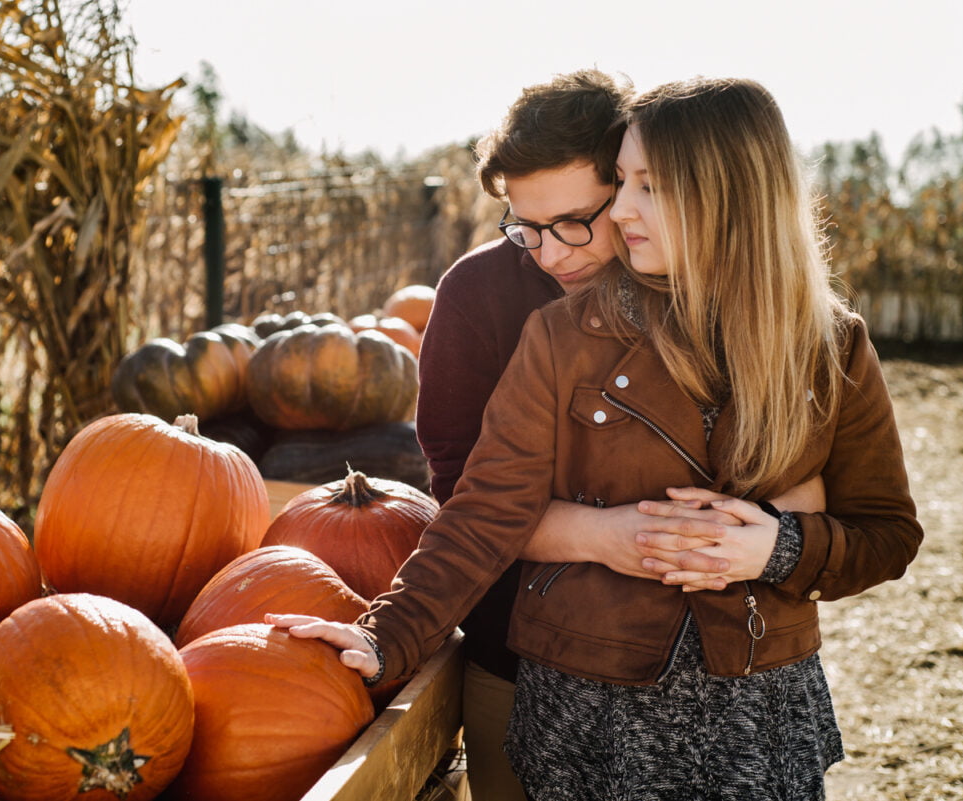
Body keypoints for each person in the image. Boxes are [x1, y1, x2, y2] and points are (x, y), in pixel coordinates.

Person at [271, 76, 923, 800]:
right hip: (590, 706)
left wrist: (780, 545)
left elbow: (887, 532)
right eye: (623, 182)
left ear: (729, 194)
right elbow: (482, 504)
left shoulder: (829, 344)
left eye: (644, 186)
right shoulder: (562, 334)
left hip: (758, 709)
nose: (623, 209)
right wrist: (387, 634)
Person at [411, 70, 823, 801]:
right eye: (525, 225)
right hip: (519, 657)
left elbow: (808, 487)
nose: (549, 253)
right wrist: (603, 535)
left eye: (576, 221)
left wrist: (774, 521)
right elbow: (462, 487)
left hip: (712, 672)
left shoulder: (718, 299)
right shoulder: (477, 296)